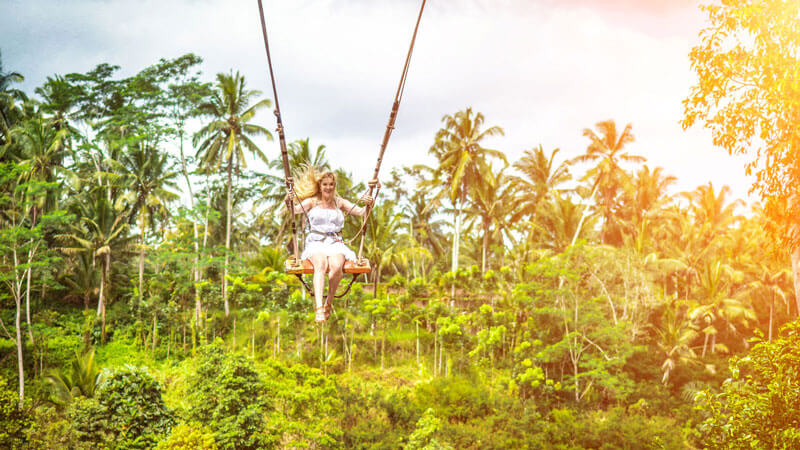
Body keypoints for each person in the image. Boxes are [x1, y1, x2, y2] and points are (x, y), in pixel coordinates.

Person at [286, 166, 376, 322]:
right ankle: (319, 308)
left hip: (335, 242)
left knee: (336, 266)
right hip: (316, 242)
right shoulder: (312, 202)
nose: (328, 187)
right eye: (325, 184)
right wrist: (288, 199)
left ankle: (329, 302)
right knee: (320, 263)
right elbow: (293, 210)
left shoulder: (339, 202)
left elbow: (362, 213)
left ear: (334, 186)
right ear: (320, 186)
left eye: (331, 184)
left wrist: (370, 203)